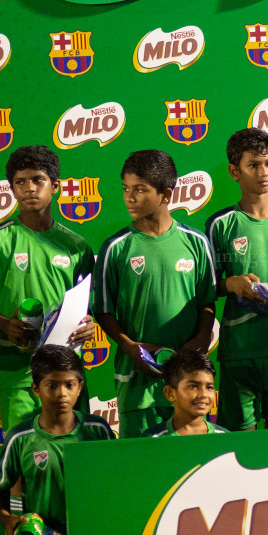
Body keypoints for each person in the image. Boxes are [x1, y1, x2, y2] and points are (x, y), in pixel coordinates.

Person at [0, 144, 96, 535]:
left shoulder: (76, 245)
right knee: (18, 478)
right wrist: (4, 325)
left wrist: (88, 325)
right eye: (20, 182)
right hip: (17, 371)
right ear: (12, 188)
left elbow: (90, 308)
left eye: (37, 180)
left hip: (65, 374)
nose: (29, 189)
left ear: (55, 186)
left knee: (72, 472)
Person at [93, 149, 217, 439]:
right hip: (137, 384)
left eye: (140, 190)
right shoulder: (116, 247)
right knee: (140, 467)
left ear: (166, 194)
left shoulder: (196, 242)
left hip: (188, 382)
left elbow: (206, 302)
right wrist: (130, 347)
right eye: (126, 189)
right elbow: (103, 311)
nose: (129, 198)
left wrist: (201, 338)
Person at [0, 346, 113, 535]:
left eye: (69, 385)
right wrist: (8, 521)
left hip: (88, 529)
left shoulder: (98, 430)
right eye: (51, 385)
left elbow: (112, 483)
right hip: (47, 533)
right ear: (36, 389)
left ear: (80, 387)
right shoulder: (19, 437)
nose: (61, 394)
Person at [204, 128, 268, 430]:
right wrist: (233, 284)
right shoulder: (220, 224)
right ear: (234, 171)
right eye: (253, 165)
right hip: (240, 347)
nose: (263, 172)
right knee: (239, 439)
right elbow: (208, 287)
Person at [150, 349, 217, 436]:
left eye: (209, 387)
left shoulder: (224, 438)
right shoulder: (152, 440)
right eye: (193, 386)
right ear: (170, 393)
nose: (203, 394)